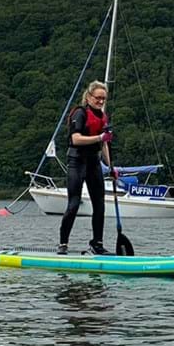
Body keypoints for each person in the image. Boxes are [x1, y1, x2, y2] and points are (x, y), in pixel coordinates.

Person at [58, 80, 115, 255]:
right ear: (89, 97)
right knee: (74, 203)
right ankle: (63, 243)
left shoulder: (103, 117)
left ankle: (97, 244)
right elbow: (75, 139)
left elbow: (104, 144)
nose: (100, 101)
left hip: (93, 162)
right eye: (98, 98)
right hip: (77, 160)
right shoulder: (80, 113)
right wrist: (99, 138)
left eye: (103, 99)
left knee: (99, 204)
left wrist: (110, 166)